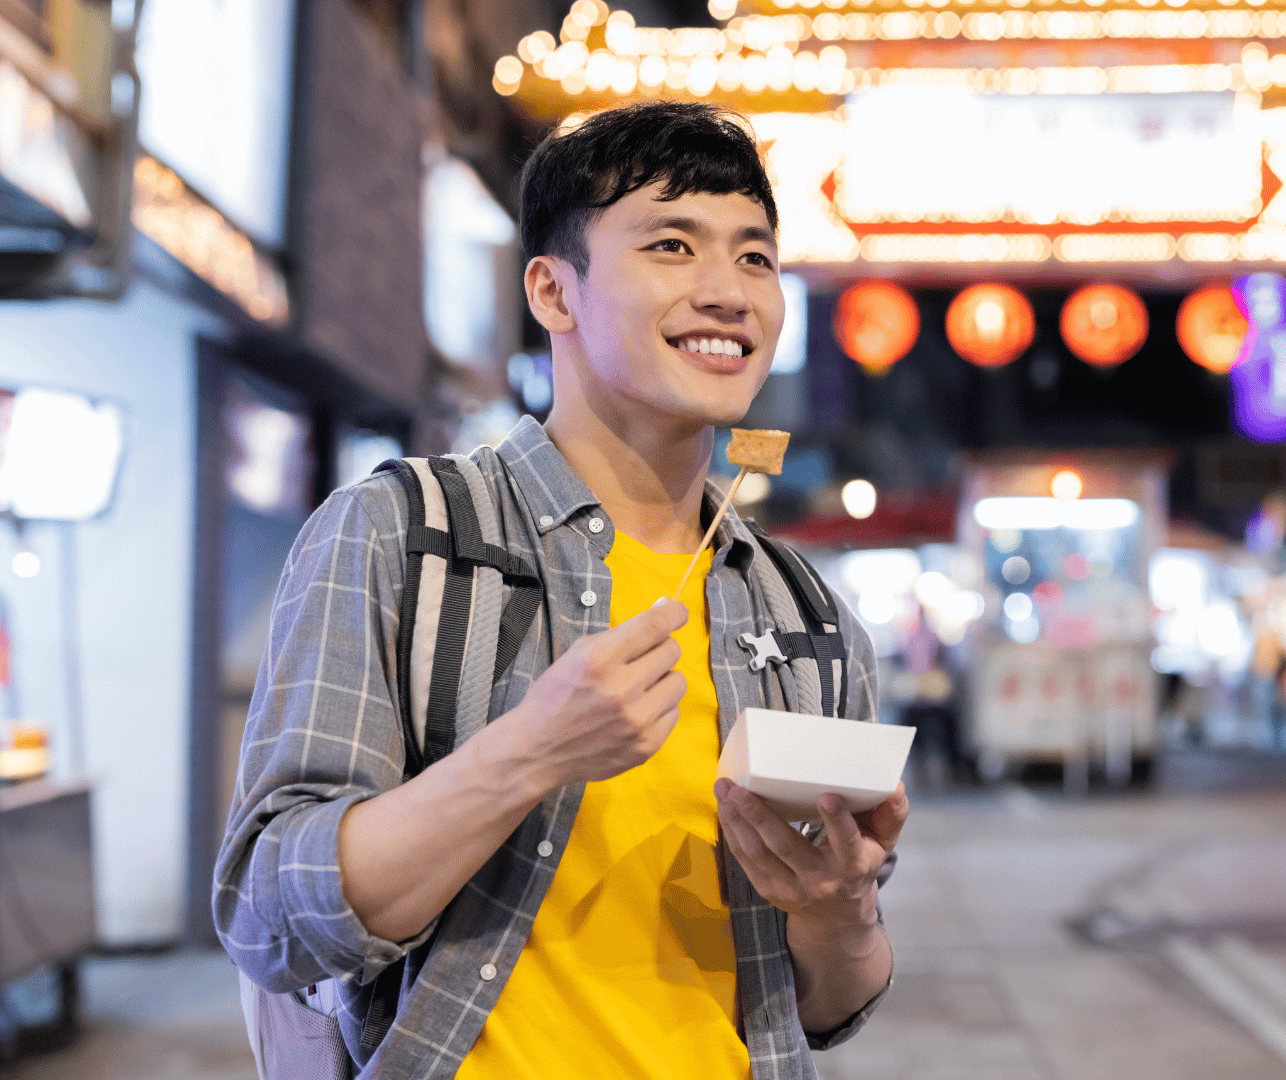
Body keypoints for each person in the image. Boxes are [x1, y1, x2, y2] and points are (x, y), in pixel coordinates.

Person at [214, 101, 903, 1080]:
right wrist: (527, 754)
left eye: (753, 257)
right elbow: (269, 917)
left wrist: (838, 907)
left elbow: (829, 1005)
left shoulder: (809, 621)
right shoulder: (402, 535)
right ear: (552, 291)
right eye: (672, 244)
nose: (728, 292)